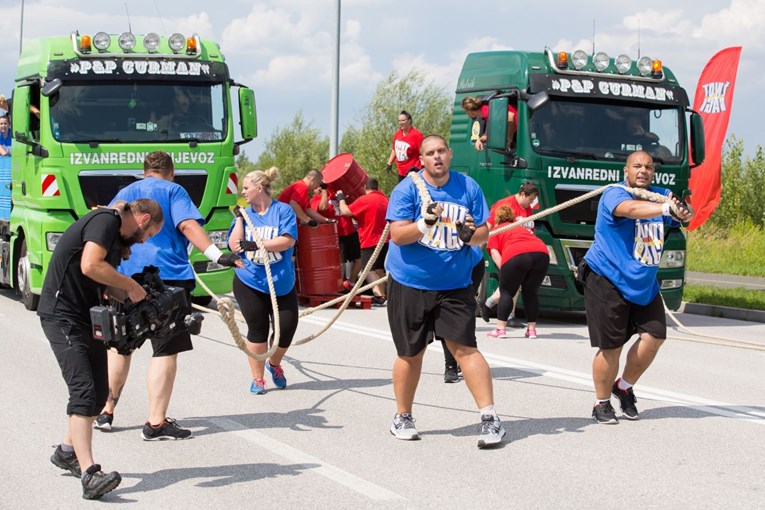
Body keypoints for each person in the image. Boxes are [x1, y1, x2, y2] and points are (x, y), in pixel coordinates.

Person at [95, 151, 241, 440]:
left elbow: (109, 226)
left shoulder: (125, 192)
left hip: (125, 277)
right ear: (171, 171)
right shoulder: (174, 191)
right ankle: (156, 422)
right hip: (168, 279)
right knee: (164, 349)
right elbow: (187, 225)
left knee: (120, 345)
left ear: (144, 170)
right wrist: (216, 254)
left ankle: (106, 410)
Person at [385, 134, 505, 448]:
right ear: (421, 160)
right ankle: (403, 416)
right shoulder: (408, 189)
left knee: (465, 348)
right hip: (411, 282)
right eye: (429, 153)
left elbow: (483, 233)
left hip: (454, 284)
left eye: (441, 151)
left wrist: (469, 234)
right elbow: (398, 235)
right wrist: (424, 223)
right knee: (411, 353)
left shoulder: (468, 187)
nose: (436, 157)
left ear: (449, 155)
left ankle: (491, 418)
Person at [39, 199, 164, 499]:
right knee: (82, 391)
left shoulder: (112, 231)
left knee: (98, 394)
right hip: (62, 315)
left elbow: (103, 281)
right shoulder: (107, 221)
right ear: (143, 218)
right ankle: (89, 474)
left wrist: (144, 300)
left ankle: (67, 452)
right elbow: (90, 264)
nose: (144, 241)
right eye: (149, 234)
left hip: (84, 315)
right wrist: (130, 287)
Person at [582, 150, 693, 424]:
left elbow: (682, 217)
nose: (643, 171)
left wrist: (683, 213)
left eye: (648, 167)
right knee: (612, 346)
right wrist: (665, 208)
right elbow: (630, 210)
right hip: (607, 278)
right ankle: (601, 402)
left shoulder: (660, 194)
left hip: (643, 283)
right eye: (637, 166)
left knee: (655, 337)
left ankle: (624, 386)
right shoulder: (614, 194)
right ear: (626, 170)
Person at [228, 167, 299, 395]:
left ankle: (274, 364)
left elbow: (287, 241)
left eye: (246, 188)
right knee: (257, 327)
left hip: (281, 282)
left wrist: (259, 244)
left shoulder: (283, 211)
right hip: (250, 280)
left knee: (286, 328)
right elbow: (234, 245)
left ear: (259, 188)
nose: (243, 192)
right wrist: (240, 219)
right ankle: (257, 379)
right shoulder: (246, 215)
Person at [481, 182, 540, 328]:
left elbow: (530, 228)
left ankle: (490, 304)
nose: (531, 203)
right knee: (513, 282)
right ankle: (506, 314)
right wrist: (481, 244)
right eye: (530, 199)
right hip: (503, 249)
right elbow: (489, 225)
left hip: (520, 250)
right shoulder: (505, 205)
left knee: (514, 283)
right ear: (522, 194)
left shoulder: (528, 210)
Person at [486, 205, 550, 339]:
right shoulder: (522, 228)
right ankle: (531, 330)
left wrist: (506, 272)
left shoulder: (497, 230)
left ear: (497, 218)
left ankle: (500, 329)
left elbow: (494, 251)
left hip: (517, 254)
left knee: (506, 291)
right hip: (541, 253)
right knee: (531, 293)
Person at [336, 177, 390, 305]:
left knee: (367, 270)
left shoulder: (365, 200)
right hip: (385, 240)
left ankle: (378, 295)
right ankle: (384, 295)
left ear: (365, 188)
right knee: (379, 269)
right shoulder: (385, 199)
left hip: (370, 240)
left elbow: (345, 211)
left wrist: (341, 198)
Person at [309, 185, 361, 290]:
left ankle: (350, 284)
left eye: (322, 186)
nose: (319, 189)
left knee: (359, 260)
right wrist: (324, 191)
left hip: (350, 232)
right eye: (317, 187)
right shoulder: (315, 200)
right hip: (335, 235)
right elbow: (323, 207)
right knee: (340, 264)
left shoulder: (334, 195)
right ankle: (339, 288)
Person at [385, 110, 425, 182]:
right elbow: (394, 149)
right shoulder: (398, 134)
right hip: (401, 172)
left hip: (414, 172)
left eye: (403, 120)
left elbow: (424, 152)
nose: (400, 122)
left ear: (409, 121)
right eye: (399, 121)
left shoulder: (417, 135)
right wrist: (389, 163)